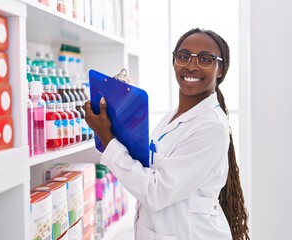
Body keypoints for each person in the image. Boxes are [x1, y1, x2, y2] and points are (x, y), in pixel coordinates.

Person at [84, 28, 250, 240]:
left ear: (220, 69)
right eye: (183, 56)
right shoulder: (173, 117)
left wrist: (108, 140)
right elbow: (151, 166)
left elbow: (156, 192)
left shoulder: (211, 126)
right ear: (174, 62)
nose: (191, 65)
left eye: (205, 59)